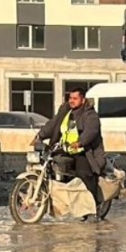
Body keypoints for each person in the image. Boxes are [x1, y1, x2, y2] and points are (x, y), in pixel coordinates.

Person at [40, 87, 111, 221]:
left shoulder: (90, 115)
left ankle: (93, 208)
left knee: (83, 173)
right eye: (70, 98)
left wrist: (80, 142)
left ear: (83, 100)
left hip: (86, 152)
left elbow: (91, 131)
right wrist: (40, 135)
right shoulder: (65, 112)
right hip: (66, 149)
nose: (71, 101)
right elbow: (53, 124)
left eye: (75, 98)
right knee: (51, 166)